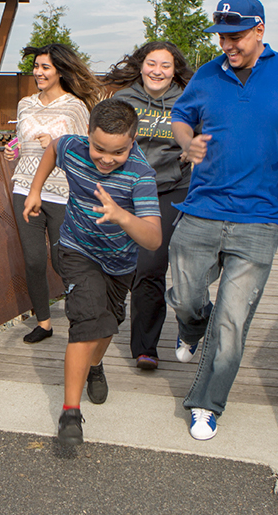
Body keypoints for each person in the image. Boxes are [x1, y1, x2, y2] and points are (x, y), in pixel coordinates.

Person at [167, 0, 278, 441]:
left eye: (235, 36)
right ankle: (190, 326)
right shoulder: (206, 75)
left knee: (233, 319)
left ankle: (205, 404)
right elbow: (181, 118)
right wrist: (188, 142)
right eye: (222, 36)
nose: (227, 44)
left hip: (262, 216)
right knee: (186, 298)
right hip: (202, 208)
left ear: (260, 30)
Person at [24, 98, 162, 444]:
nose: (106, 158)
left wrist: (122, 216)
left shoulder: (140, 174)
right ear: (87, 135)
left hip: (120, 262)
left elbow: (154, 238)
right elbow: (54, 148)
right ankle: (70, 414)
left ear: (133, 141)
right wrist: (35, 189)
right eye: (99, 148)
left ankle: (95, 366)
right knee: (86, 323)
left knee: (107, 325)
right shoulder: (74, 146)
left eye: (117, 152)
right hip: (77, 249)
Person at [101, 42, 194, 370]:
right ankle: (111, 333)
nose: (157, 71)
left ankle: (146, 347)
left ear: (174, 70)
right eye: (151, 63)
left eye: (165, 65)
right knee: (124, 266)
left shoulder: (187, 99)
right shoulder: (124, 99)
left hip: (171, 190)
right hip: (130, 191)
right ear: (140, 66)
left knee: (152, 267)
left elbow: (205, 135)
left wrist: (192, 148)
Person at [6, 44, 97, 344]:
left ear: (59, 70)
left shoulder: (75, 107)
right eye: (36, 66)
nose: (38, 72)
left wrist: (58, 143)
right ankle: (43, 323)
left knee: (61, 261)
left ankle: (83, 315)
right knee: (33, 260)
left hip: (61, 191)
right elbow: (22, 138)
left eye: (45, 67)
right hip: (24, 186)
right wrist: (13, 148)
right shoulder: (25, 104)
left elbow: (87, 149)